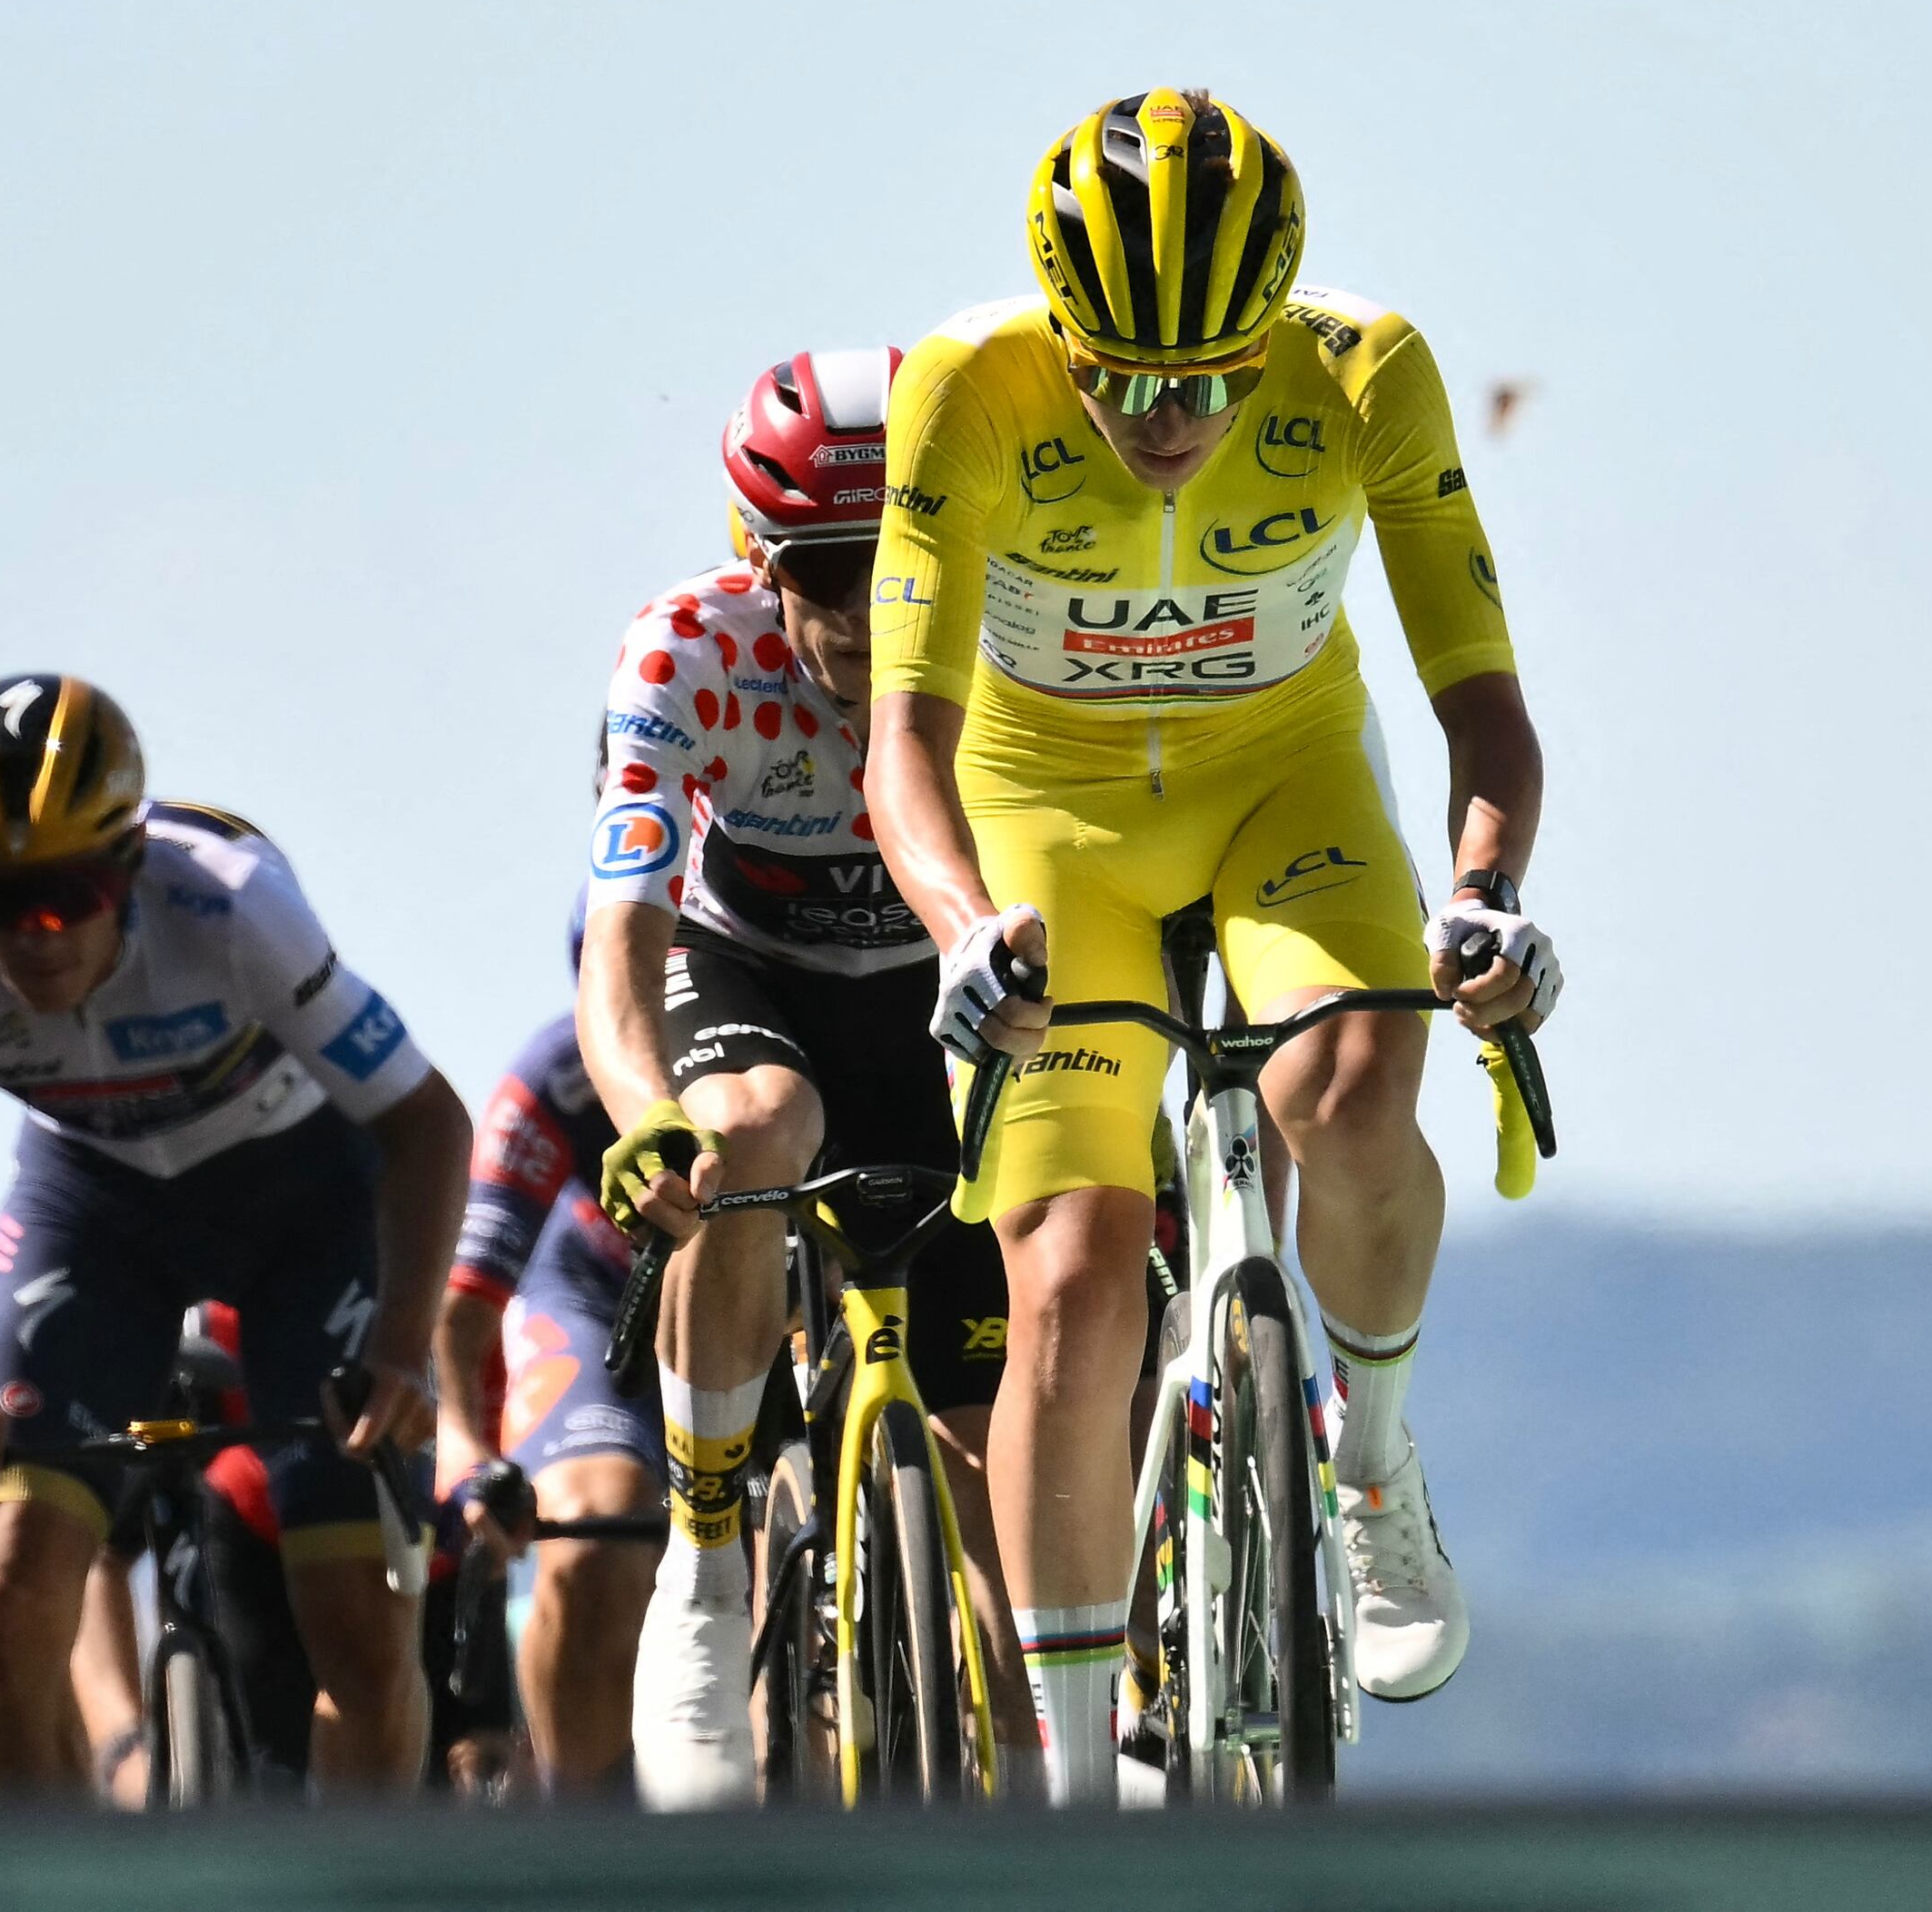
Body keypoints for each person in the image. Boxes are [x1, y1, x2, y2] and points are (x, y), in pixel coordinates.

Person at [863, 88, 1565, 1805]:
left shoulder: (1365, 373)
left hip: (1282, 776)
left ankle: (1378, 1468)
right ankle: (1080, 1788)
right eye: (1119, 375)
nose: (1162, 417)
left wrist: (1482, 898)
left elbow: (1486, 705)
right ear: (1061, 331)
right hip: (1051, 809)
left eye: (1206, 380)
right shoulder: (966, 389)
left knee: (1347, 1077)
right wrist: (966, 930)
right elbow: (901, 740)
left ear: (1270, 341)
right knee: (1075, 1267)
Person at [0, 672, 468, 1800]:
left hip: (306, 1205)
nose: (34, 938)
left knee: (361, 1629)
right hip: (96, 1210)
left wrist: (398, 1354)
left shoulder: (229, 903)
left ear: (126, 868)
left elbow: (426, 1125)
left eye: (68, 896)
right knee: (7, 1586)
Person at [576, 349, 1016, 1807]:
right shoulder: (681, 651)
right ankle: (705, 1568)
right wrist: (648, 1109)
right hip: (746, 976)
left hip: (935, 999)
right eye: (827, 574)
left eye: (898, 568)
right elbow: (621, 943)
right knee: (757, 1124)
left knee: (991, 1509)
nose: (862, 617)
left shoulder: (1010, 631)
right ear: (757, 562)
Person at [426, 992, 656, 1794]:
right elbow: (463, 1312)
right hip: (599, 1294)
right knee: (592, 1539)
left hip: (789, 1296)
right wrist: (464, 1445)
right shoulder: (554, 1072)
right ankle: (589, 1839)